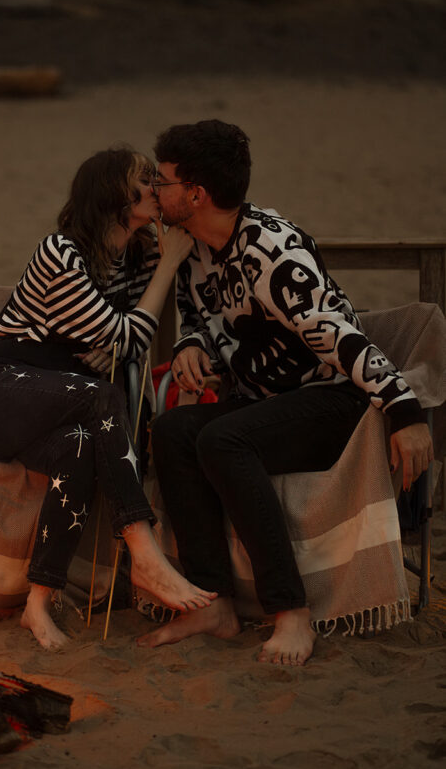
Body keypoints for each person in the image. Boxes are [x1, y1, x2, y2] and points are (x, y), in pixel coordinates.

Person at [140, 119, 433, 665]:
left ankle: (290, 612)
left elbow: (339, 335)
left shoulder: (272, 252)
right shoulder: (192, 246)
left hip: (333, 402)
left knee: (223, 440)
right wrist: (187, 345)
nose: (155, 191)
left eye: (163, 182)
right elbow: (196, 312)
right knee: (173, 430)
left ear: (196, 194)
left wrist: (404, 409)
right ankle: (215, 602)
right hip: (267, 405)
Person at [0, 146, 215, 650]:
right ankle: (143, 554)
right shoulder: (60, 254)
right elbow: (125, 339)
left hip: (59, 403)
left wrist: (119, 331)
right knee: (98, 396)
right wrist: (167, 268)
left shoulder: (132, 259)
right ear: (115, 196)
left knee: (78, 445)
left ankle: (38, 602)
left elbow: (122, 343)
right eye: (144, 180)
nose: (156, 189)